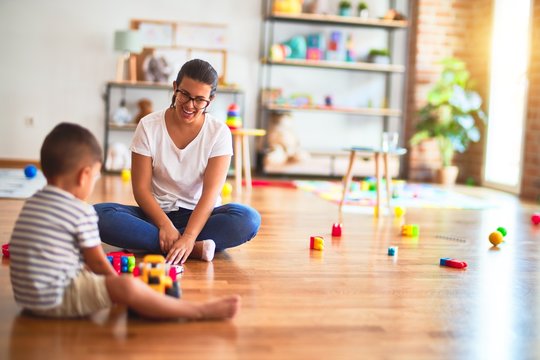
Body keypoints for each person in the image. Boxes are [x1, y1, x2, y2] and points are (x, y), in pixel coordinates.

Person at [9, 123, 240, 320]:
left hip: (27, 299)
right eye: (96, 176)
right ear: (83, 176)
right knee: (126, 285)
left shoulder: (31, 203)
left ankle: (185, 244)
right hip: (55, 300)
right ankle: (198, 311)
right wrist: (122, 289)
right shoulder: (80, 212)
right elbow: (99, 265)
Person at [95, 59, 261, 265]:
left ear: (211, 99)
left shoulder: (219, 133)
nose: (190, 105)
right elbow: (141, 189)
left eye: (200, 100)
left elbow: (210, 195)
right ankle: (193, 249)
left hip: (201, 217)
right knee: (96, 215)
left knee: (248, 219)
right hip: (155, 216)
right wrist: (165, 226)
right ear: (175, 88)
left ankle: (172, 244)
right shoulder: (148, 126)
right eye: (185, 95)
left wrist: (190, 235)